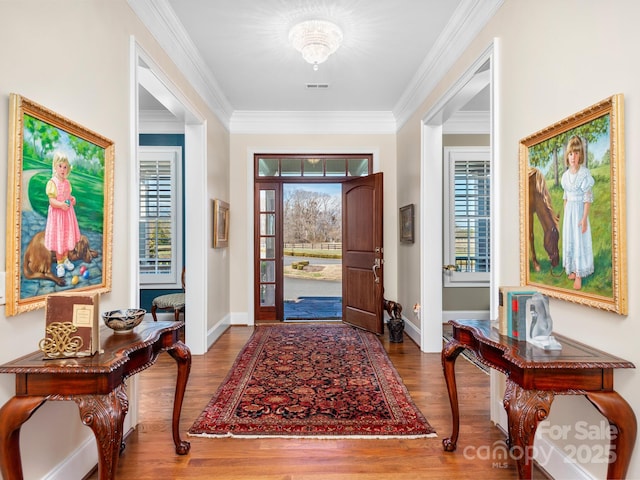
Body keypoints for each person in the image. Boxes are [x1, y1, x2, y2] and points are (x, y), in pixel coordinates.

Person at [561, 135, 594, 290]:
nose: (573, 157)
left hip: (580, 212)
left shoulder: (584, 174)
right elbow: (565, 196)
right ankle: (573, 269)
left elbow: (587, 198)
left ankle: (579, 274)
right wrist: (565, 216)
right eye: (570, 154)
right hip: (569, 214)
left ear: (580, 155)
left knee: (579, 241)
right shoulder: (565, 176)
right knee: (570, 240)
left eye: (576, 153)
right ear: (567, 156)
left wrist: (584, 218)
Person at [44, 152, 81, 278]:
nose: (63, 169)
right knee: (59, 237)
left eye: (65, 167)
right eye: (60, 166)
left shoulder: (67, 183)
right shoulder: (52, 183)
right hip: (58, 216)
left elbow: (67, 196)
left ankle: (65, 258)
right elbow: (52, 201)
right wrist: (60, 205)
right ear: (55, 166)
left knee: (65, 237)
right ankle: (59, 263)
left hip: (67, 215)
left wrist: (72, 199)